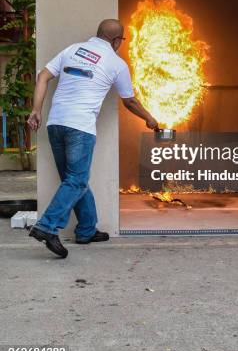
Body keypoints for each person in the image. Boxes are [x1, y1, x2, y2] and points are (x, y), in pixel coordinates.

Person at [27, 19, 158, 259]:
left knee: (74, 180)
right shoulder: (116, 64)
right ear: (117, 40)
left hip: (55, 123)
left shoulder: (72, 50)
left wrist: (36, 109)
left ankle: (86, 230)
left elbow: (43, 77)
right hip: (80, 128)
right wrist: (149, 119)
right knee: (76, 181)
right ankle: (47, 226)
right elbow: (129, 101)